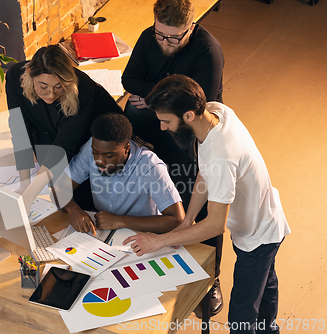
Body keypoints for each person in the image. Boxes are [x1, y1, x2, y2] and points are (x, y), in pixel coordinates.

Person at [125, 75, 290, 333]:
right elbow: (205, 171)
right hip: (264, 217)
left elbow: (215, 226)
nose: (162, 128)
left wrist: (158, 241)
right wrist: (187, 220)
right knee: (266, 283)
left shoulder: (222, 157)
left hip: (257, 237)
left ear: (188, 115)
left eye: (166, 121)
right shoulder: (215, 112)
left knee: (241, 316)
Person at [121, 0, 225, 315]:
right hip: (149, 134)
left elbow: (195, 106)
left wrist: (150, 98)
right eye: (160, 35)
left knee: (199, 202)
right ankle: (162, 259)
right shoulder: (147, 37)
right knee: (158, 199)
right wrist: (161, 102)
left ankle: (211, 279)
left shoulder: (208, 51)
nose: (165, 43)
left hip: (186, 139)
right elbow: (128, 80)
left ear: (190, 28)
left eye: (174, 38)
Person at [6, 45, 122, 209]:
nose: (51, 94)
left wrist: (30, 194)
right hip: (51, 129)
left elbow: (63, 147)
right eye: (43, 86)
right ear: (30, 73)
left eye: (58, 86)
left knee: (79, 196)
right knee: (47, 182)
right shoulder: (14, 77)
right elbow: (19, 131)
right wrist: (25, 184)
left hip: (93, 135)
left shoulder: (84, 90)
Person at [56, 113, 184, 236]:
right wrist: (72, 209)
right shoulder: (92, 147)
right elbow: (59, 188)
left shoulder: (149, 166)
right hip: (103, 231)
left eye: (109, 156)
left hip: (142, 234)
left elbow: (177, 220)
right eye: (95, 153)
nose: (99, 160)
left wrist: (120, 221)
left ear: (126, 149)